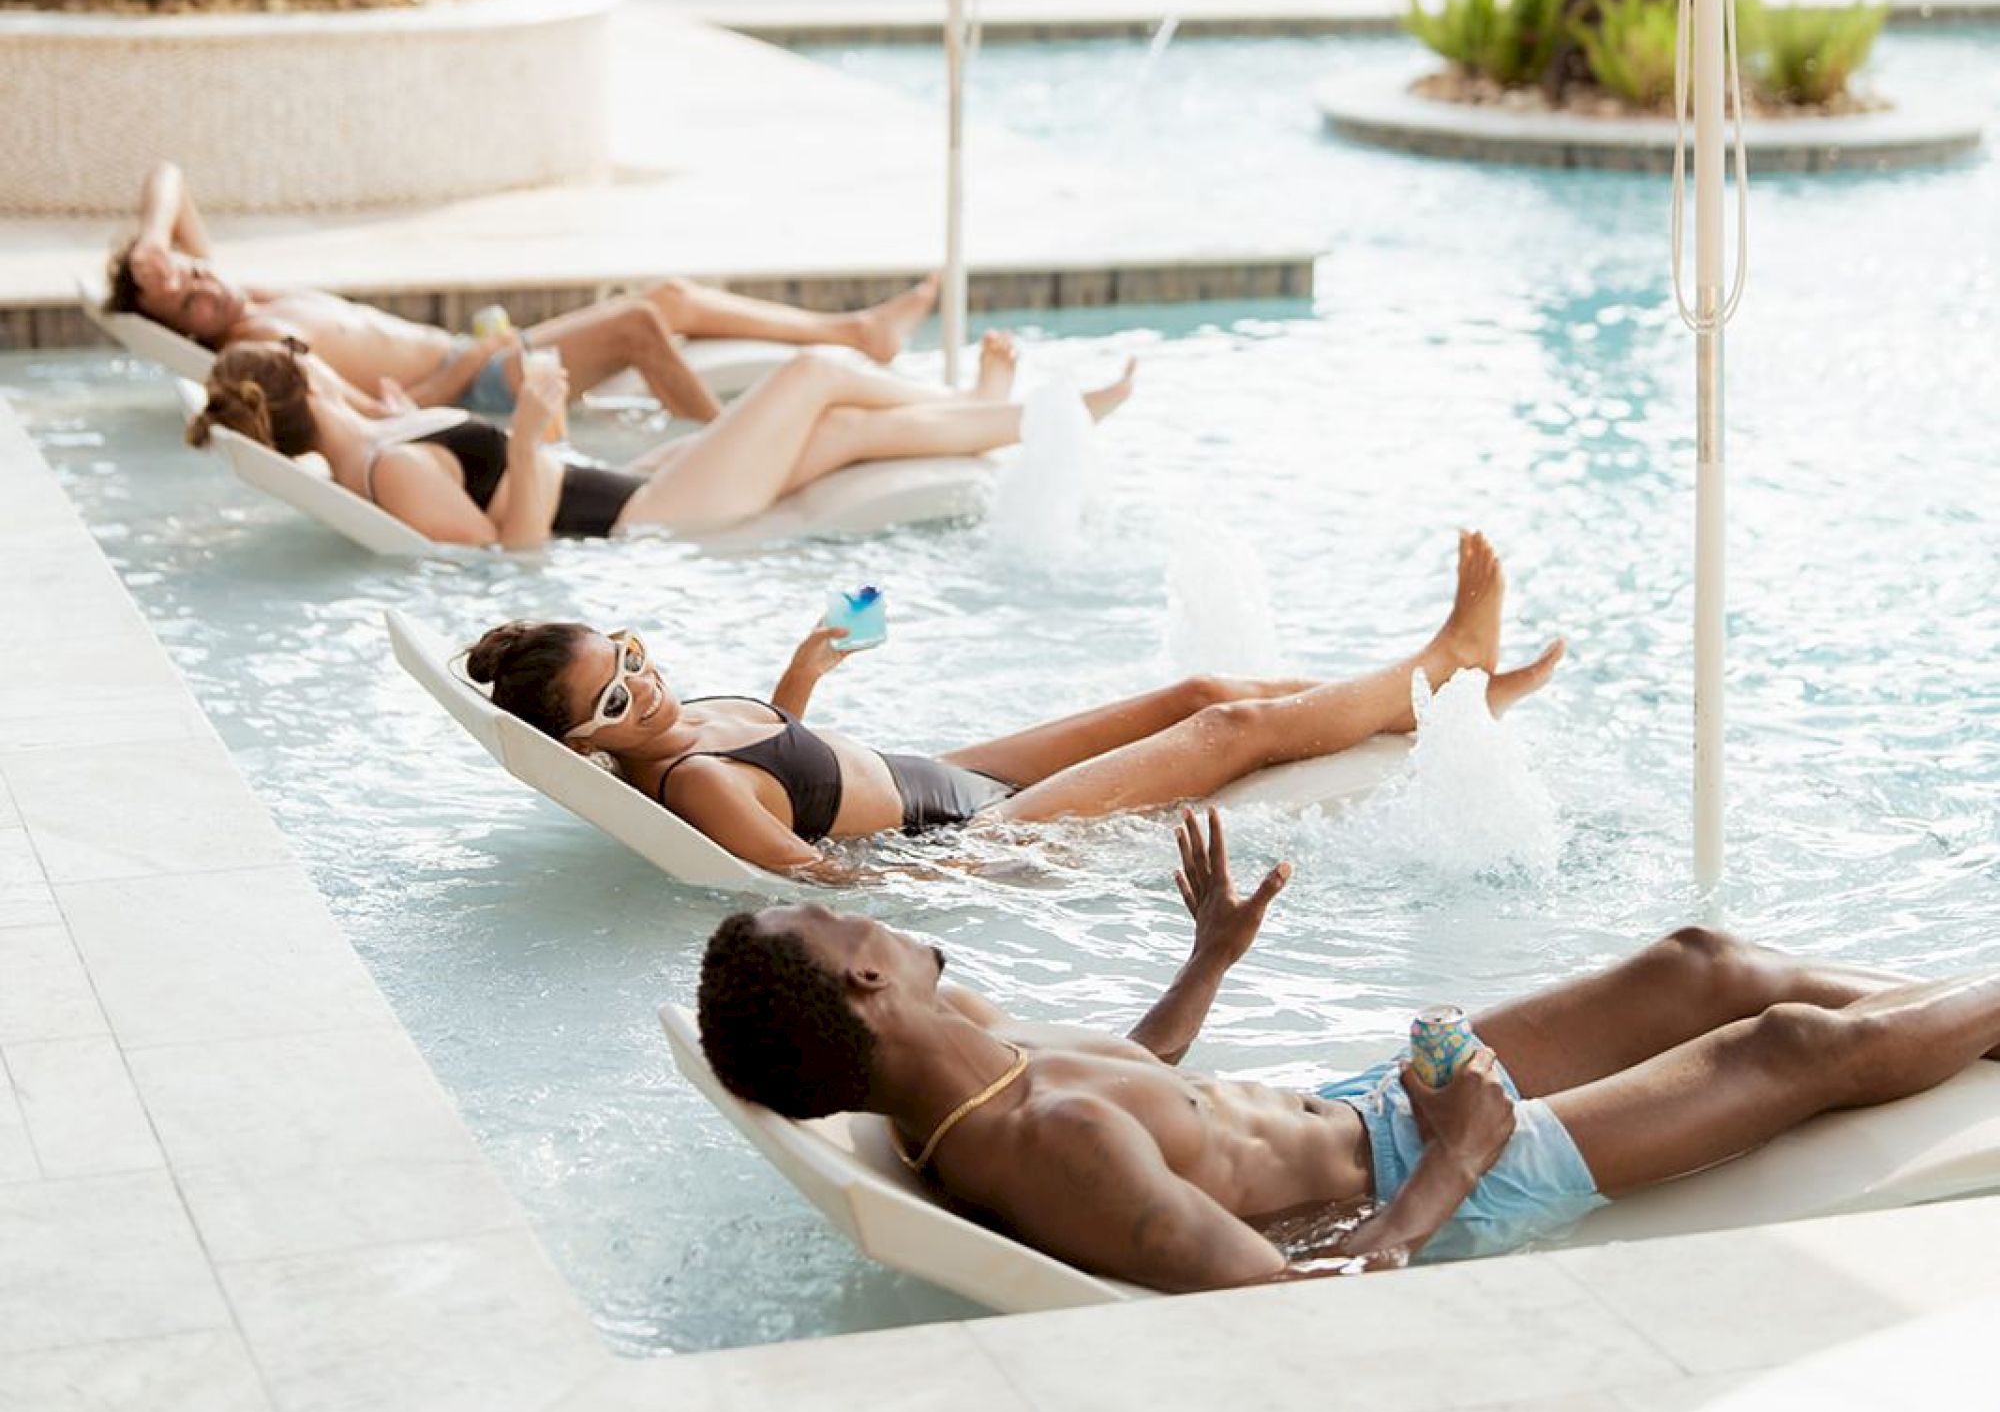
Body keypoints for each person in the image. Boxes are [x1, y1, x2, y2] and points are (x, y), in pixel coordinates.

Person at [696, 816, 2000, 1285]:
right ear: (864, 977)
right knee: (1783, 1043)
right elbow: (1288, 1300)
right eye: (844, 913)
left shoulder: (971, 1056)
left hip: (1364, 1109)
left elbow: (1144, 1084)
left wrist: (1206, 956)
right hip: (1431, 1181)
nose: (872, 904)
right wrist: (1461, 1154)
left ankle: (1971, 1011)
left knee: (1700, 961)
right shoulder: (1048, 1148)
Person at [468, 532, 1564, 873]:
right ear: (586, 741)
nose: (644, 683)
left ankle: (1430, 694)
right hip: (960, 823)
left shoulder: (689, 723)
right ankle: (1450, 662)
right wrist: (1000, 865)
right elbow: (818, 875)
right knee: (1220, 732)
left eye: (631, 651)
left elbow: (780, 746)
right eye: (616, 697)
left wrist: (805, 670)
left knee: (1199, 685)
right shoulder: (694, 780)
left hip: (938, 767)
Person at [109, 160, 940, 423]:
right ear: (186, 328)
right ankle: (732, 445)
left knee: (674, 294)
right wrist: (463, 364)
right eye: (184, 302)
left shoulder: (240, 292)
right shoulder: (256, 347)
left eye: (191, 271)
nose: (200, 286)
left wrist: (150, 243)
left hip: (483, 354)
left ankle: (856, 333)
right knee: (645, 322)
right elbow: (373, 411)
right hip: (479, 384)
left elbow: (169, 178)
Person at [187, 331, 1134, 547]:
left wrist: (515, 417)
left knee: (840, 427)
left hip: (624, 477)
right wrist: (522, 436)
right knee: (815, 373)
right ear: (306, 375)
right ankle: (1039, 411)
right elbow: (510, 551)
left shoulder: (381, 429)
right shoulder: (387, 470)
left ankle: (992, 405)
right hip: (642, 515)